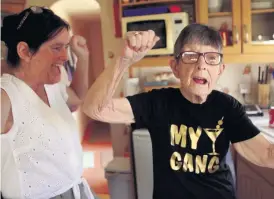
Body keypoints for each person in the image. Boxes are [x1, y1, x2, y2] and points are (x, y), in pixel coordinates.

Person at [83, 24, 274, 199]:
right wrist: (123, 60)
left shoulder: (228, 107)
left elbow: (266, 154)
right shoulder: (157, 102)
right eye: (190, 56)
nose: (201, 65)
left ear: (220, 69)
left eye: (212, 58)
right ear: (175, 67)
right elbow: (95, 108)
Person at [1, 6, 97, 199]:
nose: (64, 56)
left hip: (77, 190)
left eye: (66, 47)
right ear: (25, 51)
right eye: (56, 47)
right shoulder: (5, 95)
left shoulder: (53, 81)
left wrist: (83, 58)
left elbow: (76, 100)